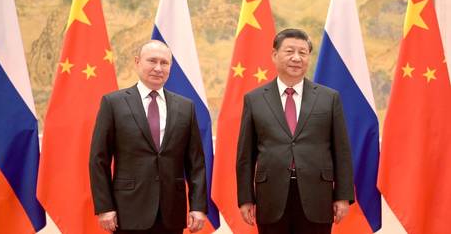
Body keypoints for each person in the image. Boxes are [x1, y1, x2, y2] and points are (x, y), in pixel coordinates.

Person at [236, 28, 354, 234]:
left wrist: (342, 196)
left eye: (303, 52)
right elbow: (245, 156)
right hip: (271, 196)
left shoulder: (329, 98)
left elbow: (341, 151)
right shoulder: (254, 99)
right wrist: (246, 198)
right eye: (290, 51)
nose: (296, 58)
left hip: (317, 195)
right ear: (274, 55)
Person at [89, 40, 207, 234]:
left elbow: (196, 163)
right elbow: (98, 159)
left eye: (164, 63)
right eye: (152, 61)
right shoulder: (114, 103)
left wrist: (198, 206)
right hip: (127, 210)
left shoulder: (186, 106)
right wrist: (104, 207)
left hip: (172, 212)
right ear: (137, 62)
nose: (158, 68)